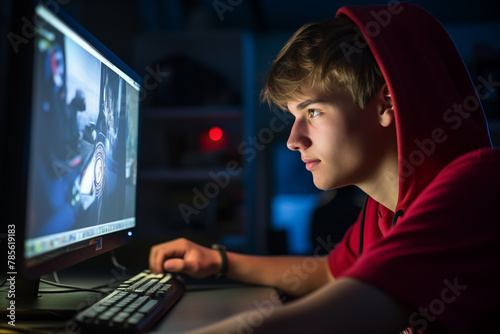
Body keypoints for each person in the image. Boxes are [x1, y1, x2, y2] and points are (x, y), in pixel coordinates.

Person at [149, 2, 500, 333]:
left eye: (313, 111)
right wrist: (219, 262)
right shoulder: (382, 213)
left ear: (386, 105)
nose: (293, 139)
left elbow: (318, 322)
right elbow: (328, 274)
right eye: (294, 117)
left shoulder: (478, 185)